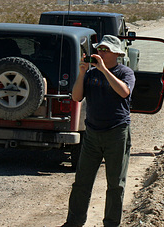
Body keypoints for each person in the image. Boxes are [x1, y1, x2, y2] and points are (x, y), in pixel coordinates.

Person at [61, 35, 135, 227]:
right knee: (81, 181)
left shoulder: (125, 72)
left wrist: (103, 69)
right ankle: (74, 222)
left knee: (115, 184)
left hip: (117, 132)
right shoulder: (91, 74)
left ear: (117, 54)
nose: (101, 53)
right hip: (92, 133)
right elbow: (76, 97)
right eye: (99, 49)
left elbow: (124, 92)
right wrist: (82, 73)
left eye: (105, 50)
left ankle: (111, 223)